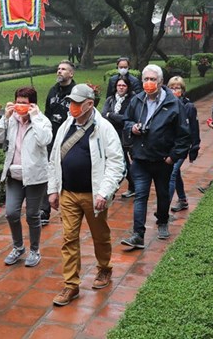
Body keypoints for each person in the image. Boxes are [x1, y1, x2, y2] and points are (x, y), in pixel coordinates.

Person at [47, 84, 124, 306]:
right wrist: (53, 189)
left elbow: (116, 163)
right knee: (68, 238)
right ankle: (71, 285)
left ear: (89, 104)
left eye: (77, 103)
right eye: (71, 102)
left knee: (100, 236)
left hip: (94, 195)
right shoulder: (66, 126)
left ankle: (104, 268)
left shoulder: (104, 128)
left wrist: (104, 191)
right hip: (68, 193)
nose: (72, 107)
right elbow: (54, 159)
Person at [120, 65, 192, 248]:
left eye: (153, 79)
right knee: (140, 195)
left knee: (162, 194)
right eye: (146, 79)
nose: (149, 83)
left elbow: (184, 135)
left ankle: (162, 221)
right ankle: (138, 234)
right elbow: (126, 121)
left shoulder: (173, 103)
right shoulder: (137, 100)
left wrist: (172, 157)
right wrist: (132, 128)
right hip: (141, 159)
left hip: (162, 160)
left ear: (160, 81)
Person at [0, 87, 52, 267]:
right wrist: (5, 117)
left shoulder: (42, 121)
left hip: (35, 177)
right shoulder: (11, 121)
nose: (20, 106)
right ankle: (18, 247)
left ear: (32, 104)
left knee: (33, 215)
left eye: (24, 103)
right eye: (18, 102)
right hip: (14, 175)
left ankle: (34, 250)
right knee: (11, 213)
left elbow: (44, 140)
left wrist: (35, 117)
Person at [41, 60, 77, 225]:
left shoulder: (76, 92)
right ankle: (44, 210)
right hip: (52, 138)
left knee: (67, 174)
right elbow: (47, 113)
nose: (59, 71)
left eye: (63, 69)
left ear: (71, 73)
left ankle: (68, 209)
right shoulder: (52, 91)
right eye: (58, 68)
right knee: (49, 172)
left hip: (70, 139)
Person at [166, 77, 200, 213]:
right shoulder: (166, 104)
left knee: (172, 174)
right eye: (172, 88)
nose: (174, 90)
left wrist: (194, 148)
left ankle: (164, 208)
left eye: (177, 88)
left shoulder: (188, 106)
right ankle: (183, 199)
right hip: (169, 145)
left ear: (183, 90)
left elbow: (194, 128)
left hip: (181, 146)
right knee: (176, 173)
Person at [101, 76, 136, 198]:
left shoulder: (132, 100)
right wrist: (113, 116)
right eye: (119, 85)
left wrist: (111, 115)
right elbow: (103, 115)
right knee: (120, 161)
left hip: (125, 136)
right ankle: (131, 185)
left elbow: (126, 119)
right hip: (111, 134)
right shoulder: (111, 100)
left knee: (125, 162)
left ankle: (131, 185)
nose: (121, 88)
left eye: (124, 86)